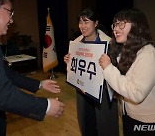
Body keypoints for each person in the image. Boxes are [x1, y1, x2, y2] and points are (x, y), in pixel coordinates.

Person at [0, 0, 64, 135]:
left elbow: (5, 72)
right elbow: (1, 95)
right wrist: (46, 106)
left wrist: (40, 84)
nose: (11, 19)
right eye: (10, 12)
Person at [99, 8, 155, 136]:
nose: (116, 29)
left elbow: (136, 93)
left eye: (121, 24)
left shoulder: (148, 53)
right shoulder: (126, 51)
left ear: (137, 26)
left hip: (145, 122)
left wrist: (108, 68)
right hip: (128, 115)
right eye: (115, 24)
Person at [64, 8, 119, 136]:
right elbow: (74, 70)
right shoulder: (76, 43)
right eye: (80, 22)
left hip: (103, 94)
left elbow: (117, 70)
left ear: (95, 23)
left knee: (105, 125)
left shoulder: (108, 43)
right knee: (87, 124)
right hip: (83, 94)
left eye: (86, 22)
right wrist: (69, 61)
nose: (82, 26)